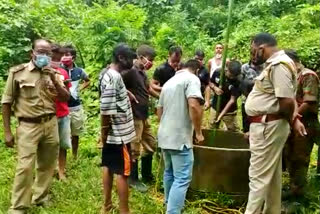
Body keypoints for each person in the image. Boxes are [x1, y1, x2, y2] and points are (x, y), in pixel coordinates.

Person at [2, 39, 70, 214]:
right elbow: (6, 102)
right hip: (28, 126)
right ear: (32, 53)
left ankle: (40, 197)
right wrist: (7, 131)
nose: (44, 56)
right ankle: (18, 206)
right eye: (41, 52)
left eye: (48, 53)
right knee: (25, 167)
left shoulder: (54, 73)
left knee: (47, 165)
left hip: (50, 123)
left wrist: (54, 80)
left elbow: (65, 98)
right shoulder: (18, 73)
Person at [244, 33, 306, 214]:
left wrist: (292, 120)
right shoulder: (276, 65)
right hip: (268, 125)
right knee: (271, 177)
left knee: (258, 177)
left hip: (267, 126)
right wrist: (293, 121)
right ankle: (272, 210)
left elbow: (286, 101)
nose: (252, 54)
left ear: (261, 48)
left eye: (253, 50)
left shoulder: (279, 65)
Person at [157, 59, 204, 214]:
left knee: (169, 172)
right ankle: (173, 211)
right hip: (180, 138)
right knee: (182, 178)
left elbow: (159, 110)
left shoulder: (169, 82)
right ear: (196, 70)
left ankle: (168, 203)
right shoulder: (192, 79)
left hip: (165, 135)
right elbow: (193, 104)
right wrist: (198, 132)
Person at [99, 43, 136, 214]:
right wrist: (104, 133)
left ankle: (106, 205)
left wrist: (125, 92)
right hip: (119, 134)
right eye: (131, 58)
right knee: (123, 172)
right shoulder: (114, 77)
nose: (133, 61)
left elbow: (110, 95)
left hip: (112, 134)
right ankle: (124, 210)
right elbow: (106, 109)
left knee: (107, 165)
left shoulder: (108, 74)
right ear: (121, 58)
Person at [283, 49, 320, 201]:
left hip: (306, 122)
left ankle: (298, 195)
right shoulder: (293, 76)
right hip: (294, 121)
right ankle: (293, 187)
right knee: (290, 155)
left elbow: (308, 101)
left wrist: (294, 116)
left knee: (300, 157)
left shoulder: (308, 75)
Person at [121, 45, 157, 192]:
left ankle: (147, 175)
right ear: (141, 57)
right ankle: (133, 179)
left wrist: (163, 98)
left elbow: (149, 89)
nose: (151, 63)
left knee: (151, 144)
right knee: (134, 148)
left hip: (144, 115)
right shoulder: (129, 72)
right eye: (151, 59)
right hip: (134, 115)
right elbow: (117, 85)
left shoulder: (142, 72)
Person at [61, 45, 90, 159]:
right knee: (63, 134)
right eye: (63, 55)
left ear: (73, 58)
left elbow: (87, 81)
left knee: (75, 134)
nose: (64, 57)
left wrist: (79, 89)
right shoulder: (59, 70)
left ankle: (74, 156)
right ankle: (62, 158)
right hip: (63, 107)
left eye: (67, 55)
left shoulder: (79, 71)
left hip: (76, 107)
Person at [51, 44, 72, 181]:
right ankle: (49, 170)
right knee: (49, 146)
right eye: (54, 57)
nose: (57, 60)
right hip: (48, 116)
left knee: (63, 145)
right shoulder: (40, 73)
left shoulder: (63, 73)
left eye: (59, 57)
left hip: (63, 113)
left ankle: (61, 171)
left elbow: (68, 94)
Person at [209, 60, 242, 131]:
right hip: (216, 106)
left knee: (233, 130)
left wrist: (221, 115)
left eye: (234, 76)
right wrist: (215, 88)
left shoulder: (238, 80)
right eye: (230, 75)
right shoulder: (218, 72)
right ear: (226, 69)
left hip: (229, 110)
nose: (231, 78)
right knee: (212, 127)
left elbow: (232, 100)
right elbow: (210, 82)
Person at [240, 60, 264, 133]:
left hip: (260, 101)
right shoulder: (244, 67)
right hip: (246, 99)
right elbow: (241, 83)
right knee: (246, 125)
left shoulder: (266, 67)